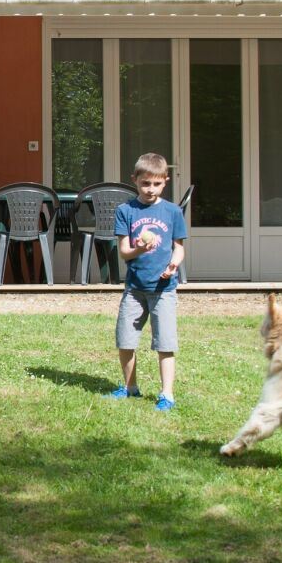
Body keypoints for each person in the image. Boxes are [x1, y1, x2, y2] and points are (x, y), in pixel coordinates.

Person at [108, 153, 187, 411]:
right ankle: (130, 387)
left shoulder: (173, 212)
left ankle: (167, 394)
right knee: (125, 340)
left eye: (156, 184)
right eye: (145, 184)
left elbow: (179, 248)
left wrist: (174, 264)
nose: (150, 189)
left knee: (165, 343)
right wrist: (140, 248)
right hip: (134, 288)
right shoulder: (126, 211)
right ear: (135, 181)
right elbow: (124, 252)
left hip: (163, 289)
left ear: (165, 182)